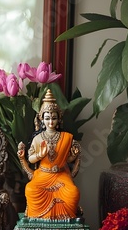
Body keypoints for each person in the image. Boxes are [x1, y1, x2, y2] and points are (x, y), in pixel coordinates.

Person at [18, 89, 81, 220]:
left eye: (54, 118)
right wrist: (40, 155)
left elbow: (66, 159)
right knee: (30, 189)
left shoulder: (66, 137)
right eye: (47, 118)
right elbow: (30, 159)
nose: (51, 122)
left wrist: (74, 156)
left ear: (59, 119)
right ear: (42, 119)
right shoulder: (38, 138)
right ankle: (40, 219)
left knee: (73, 193)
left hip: (61, 174)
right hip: (42, 174)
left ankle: (64, 220)